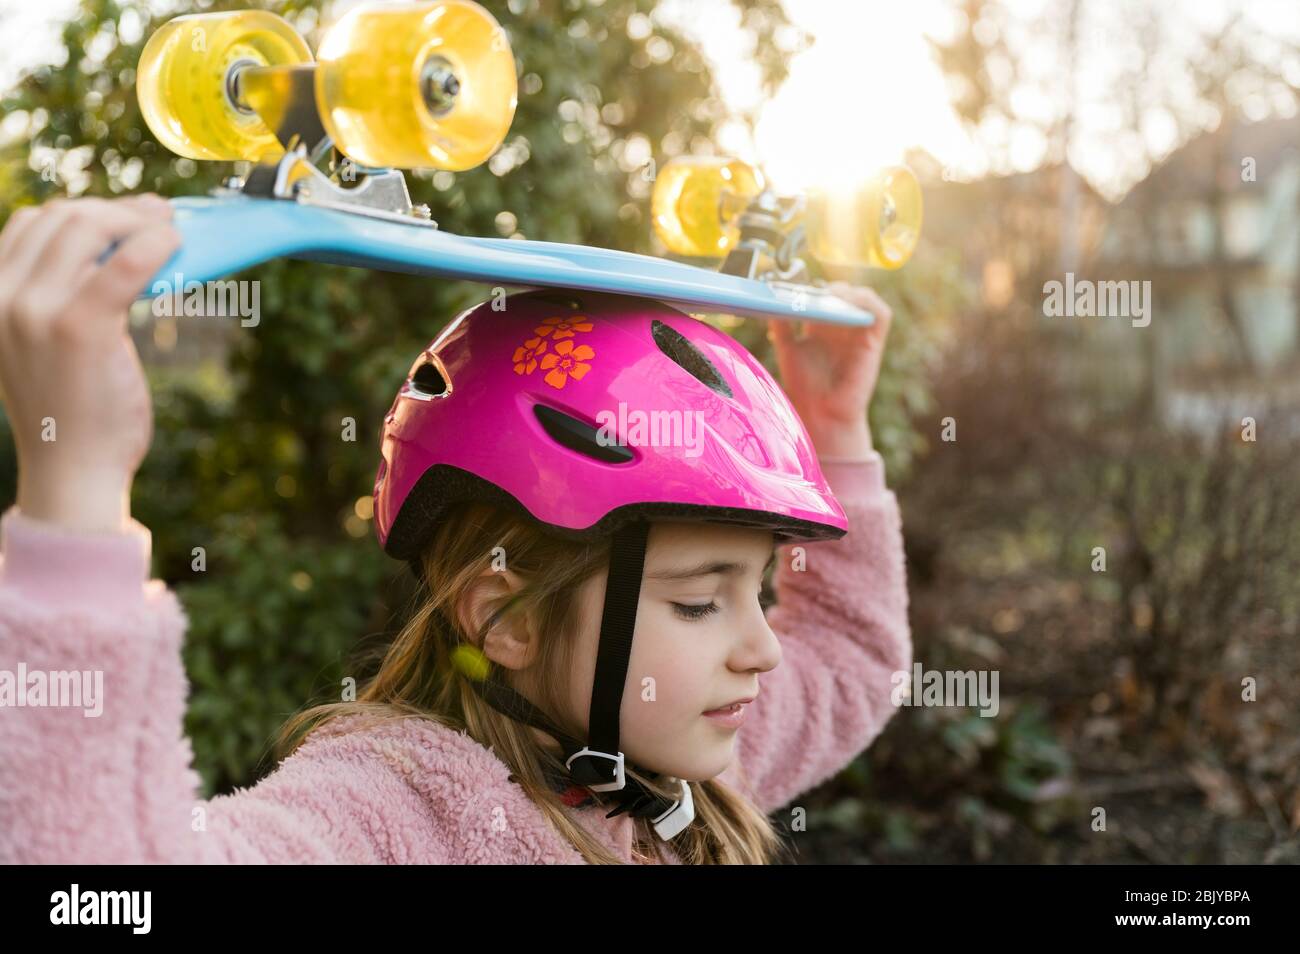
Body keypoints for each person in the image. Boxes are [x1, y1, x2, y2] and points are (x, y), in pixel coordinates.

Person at [0, 195, 911, 864]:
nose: (765, 649)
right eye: (701, 601)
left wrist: (834, 431)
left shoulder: (673, 763)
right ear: (505, 618)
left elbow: (849, 658)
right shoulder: (392, 814)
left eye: (757, 589)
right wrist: (74, 478)